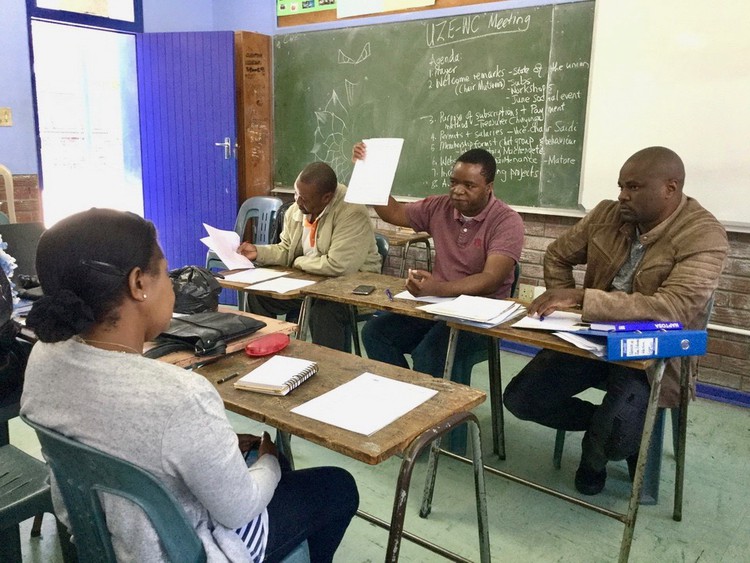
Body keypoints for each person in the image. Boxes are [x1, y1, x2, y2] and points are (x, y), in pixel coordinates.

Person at [21, 208, 359, 562]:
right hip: (180, 550)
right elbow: (239, 510)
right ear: (138, 284)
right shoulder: (180, 395)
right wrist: (270, 463)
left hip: (103, 535)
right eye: (166, 273)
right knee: (336, 486)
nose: (172, 284)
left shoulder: (44, 358)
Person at [503, 146, 729, 495]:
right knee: (520, 399)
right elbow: (558, 255)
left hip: (649, 355)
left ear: (671, 188)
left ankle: (598, 453)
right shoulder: (608, 215)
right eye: (621, 185)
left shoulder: (703, 234)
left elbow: (675, 307)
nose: (622, 195)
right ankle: (601, 428)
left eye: (634, 187)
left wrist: (583, 298)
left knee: (617, 439)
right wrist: (565, 309)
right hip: (589, 340)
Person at [352, 142, 524, 453]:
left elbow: (491, 280)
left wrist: (437, 288)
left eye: (469, 185)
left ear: (489, 187)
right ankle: (406, 409)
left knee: (431, 353)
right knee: (377, 333)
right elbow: (394, 212)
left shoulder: (507, 221)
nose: (458, 191)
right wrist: (371, 172)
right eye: (454, 182)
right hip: (437, 308)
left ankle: (442, 440)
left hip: (481, 319)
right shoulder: (440, 207)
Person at [239, 162, 381, 353]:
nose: (297, 202)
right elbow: (287, 249)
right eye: (296, 194)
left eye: (304, 199)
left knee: (324, 310)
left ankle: (333, 369)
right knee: (258, 295)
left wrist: (298, 262)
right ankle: (269, 354)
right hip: (308, 281)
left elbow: (338, 266)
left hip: (349, 287)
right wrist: (259, 252)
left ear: (326, 198)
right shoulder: (296, 210)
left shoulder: (351, 211)